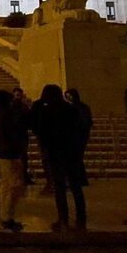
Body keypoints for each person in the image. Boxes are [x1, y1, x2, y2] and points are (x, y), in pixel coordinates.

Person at [31, 84, 86, 231]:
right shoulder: (71, 109)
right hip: (72, 152)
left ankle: (63, 220)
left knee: (60, 188)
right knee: (76, 187)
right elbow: (80, 129)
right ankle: (81, 220)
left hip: (54, 152)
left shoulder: (45, 110)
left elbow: (37, 127)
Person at [0, 89, 29, 231]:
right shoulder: (6, 114)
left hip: (3, 152)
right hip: (10, 153)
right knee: (14, 186)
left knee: (7, 186)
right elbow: (13, 132)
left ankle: (5, 216)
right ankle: (7, 217)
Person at [65, 88, 93, 187]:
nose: (68, 98)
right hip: (71, 137)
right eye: (66, 96)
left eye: (70, 96)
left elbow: (86, 122)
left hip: (80, 136)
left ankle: (78, 179)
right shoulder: (68, 108)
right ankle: (80, 179)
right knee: (76, 159)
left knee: (76, 158)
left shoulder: (82, 108)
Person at [12, 87, 34, 185]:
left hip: (21, 134)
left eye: (19, 95)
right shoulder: (12, 106)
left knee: (23, 157)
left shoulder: (24, 107)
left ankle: (24, 177)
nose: (18, 97)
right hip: (15, 135)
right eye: (16, 95)